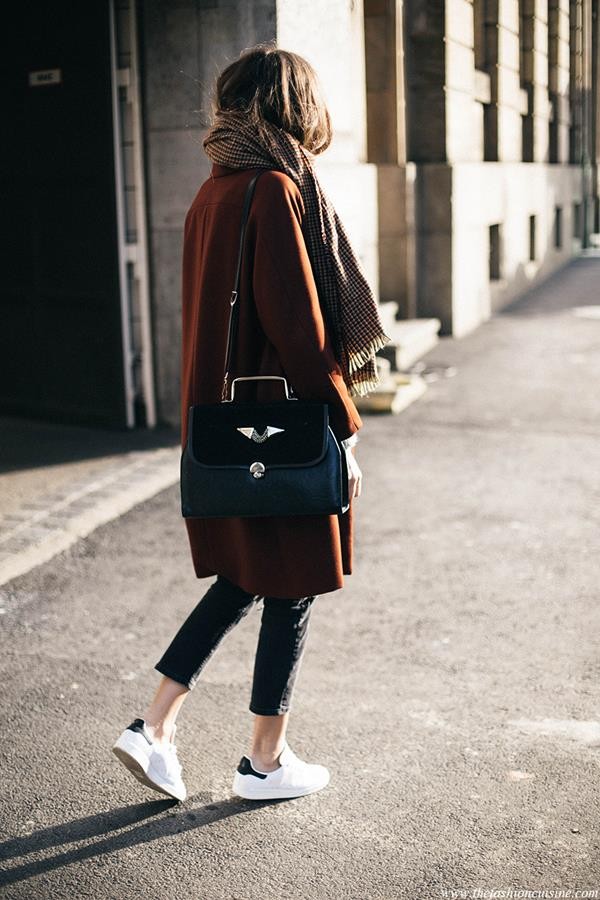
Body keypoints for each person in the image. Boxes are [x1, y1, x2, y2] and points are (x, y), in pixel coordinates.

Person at [112, 42, 388, 803]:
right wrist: (343, 428)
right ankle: (263, 763)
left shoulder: (215, 188)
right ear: (298, 105)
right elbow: (296, 325)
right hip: (278, 427)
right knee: (290, 582)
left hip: (225, 424)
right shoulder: (273, 186)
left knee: (246, 577)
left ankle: (155, 724)